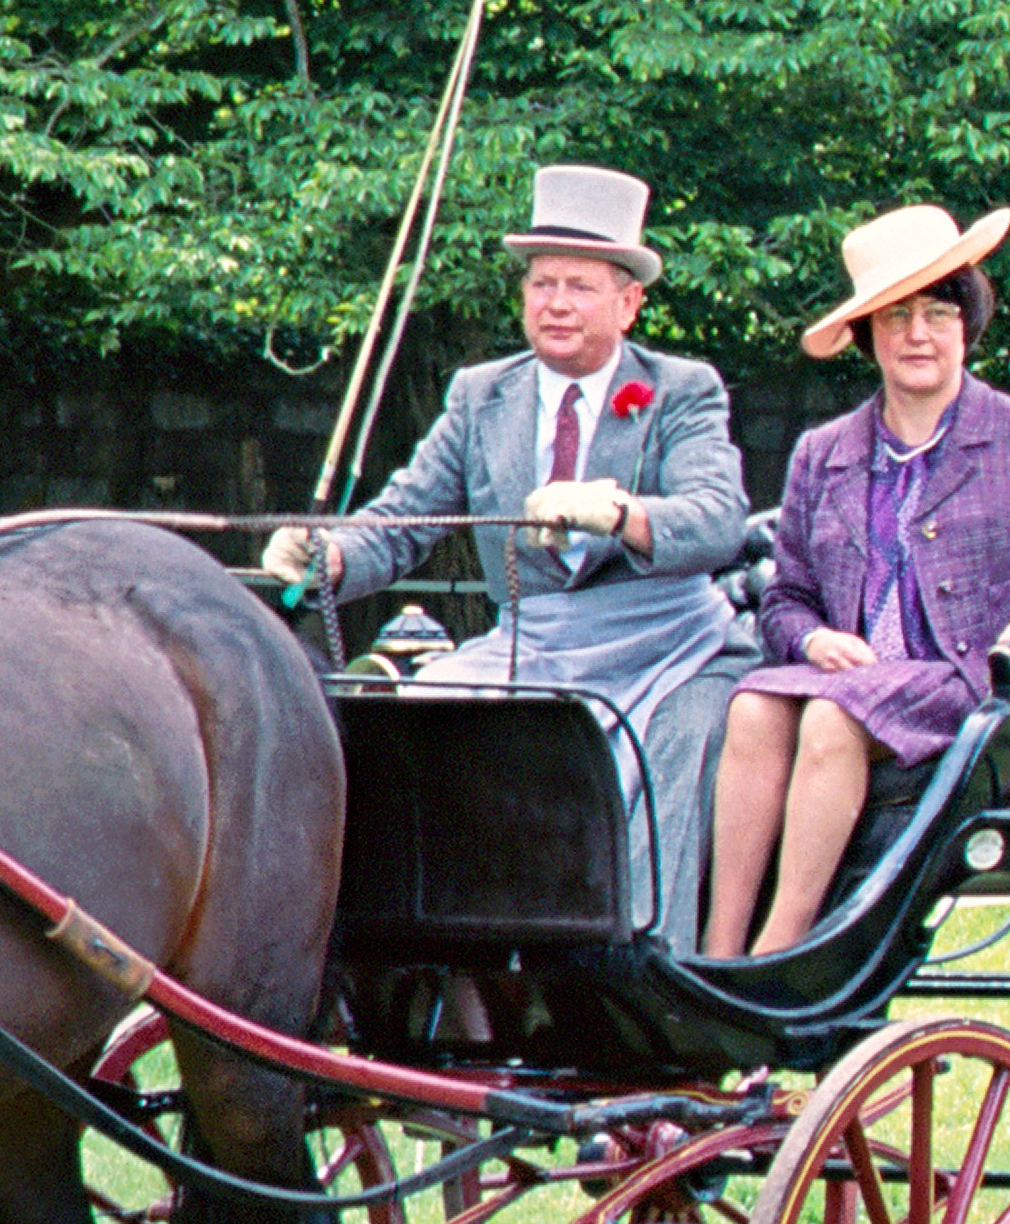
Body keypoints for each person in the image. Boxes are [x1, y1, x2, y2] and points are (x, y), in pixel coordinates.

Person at [264, 165, 751, 935]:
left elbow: (718, 518)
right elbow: (406, 519)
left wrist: (616, 511)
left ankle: (641, 949)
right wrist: (328, 556)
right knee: (419, 716)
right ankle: (430, 937)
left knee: (648, 752)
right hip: (533, 638)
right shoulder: (480, 393)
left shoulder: (681, 390)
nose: (555, 302)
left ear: (629, 302)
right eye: (540, 283)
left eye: (580, 286)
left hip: (663, 639)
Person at [698, 203, 1010, 958]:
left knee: (830, 718)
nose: (918, 335)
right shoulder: (823, 451)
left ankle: (784, 952)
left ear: (966, 325)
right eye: (896, 316)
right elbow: (784, 598)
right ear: (867, 334)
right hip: (851, 678)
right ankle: (717, 944)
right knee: (750, 705)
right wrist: (812, 637)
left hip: (968, 683)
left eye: (938, 313)